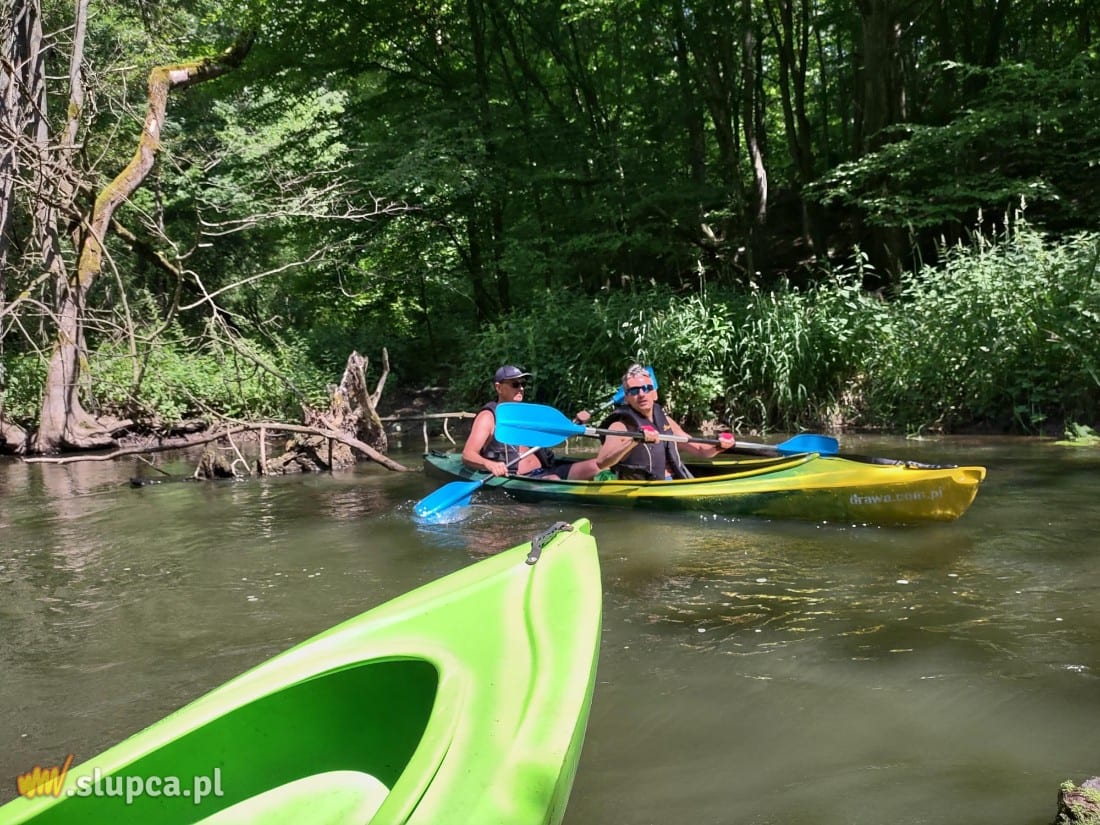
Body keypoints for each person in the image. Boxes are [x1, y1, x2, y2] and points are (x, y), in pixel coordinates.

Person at [568, 363, 735, 481]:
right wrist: (634, 440)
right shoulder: (620, 426)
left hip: (674, 480)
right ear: (626, 398)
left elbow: (700, 450)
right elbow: (602, 462)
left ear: (654, 394)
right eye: (634, 391)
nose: (641, 394)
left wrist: (719, 445)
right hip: (642, 488)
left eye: (647, 388)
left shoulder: (665, 421)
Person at [461, 365, 557, 477]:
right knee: (554, 478)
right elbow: (467, 454)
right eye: (515, 384)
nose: (521, 388)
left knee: (583, 467)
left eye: (523, 384)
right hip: (522, 478)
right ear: (499, 388)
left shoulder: (525, 415)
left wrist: (576, 422)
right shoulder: (488, 417)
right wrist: (489, 464)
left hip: (544, 471)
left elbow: (552, 430)